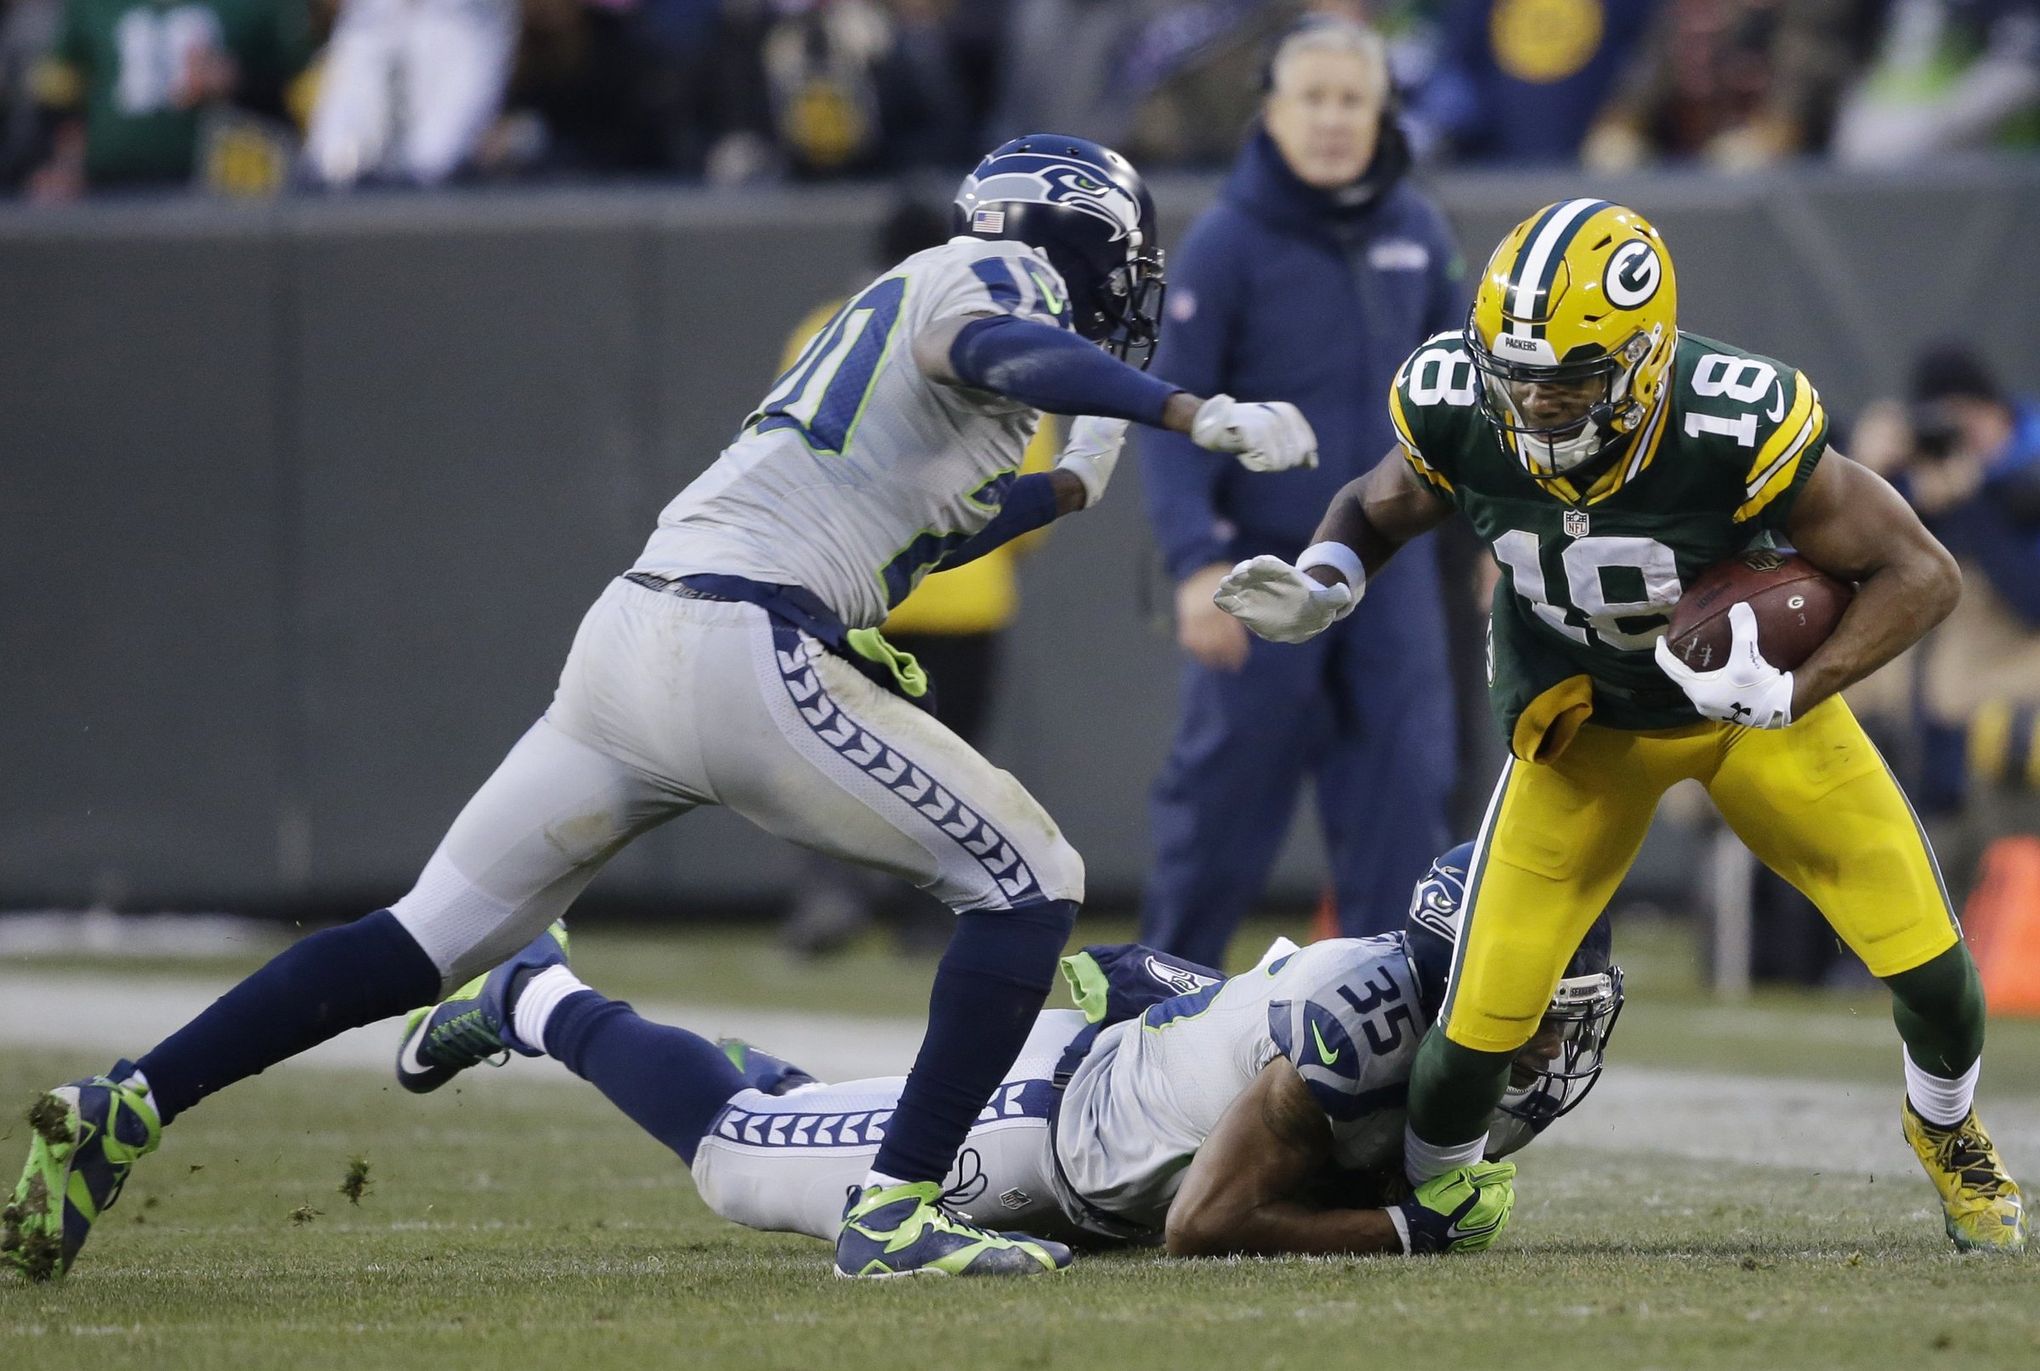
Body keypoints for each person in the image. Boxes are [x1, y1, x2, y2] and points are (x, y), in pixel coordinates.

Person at [2, 133, 1320, 1284]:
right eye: (1122, 258)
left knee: (421, 935)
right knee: (1032, 878)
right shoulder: (993, 278)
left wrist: (1082, 482)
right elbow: (1003, 337)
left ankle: (130, 1098)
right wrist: (1184, 408)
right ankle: (900, 1205)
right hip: (737, 645)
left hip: (638, 636)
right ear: (1067, 236)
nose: (1132, 286)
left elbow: (925, 528)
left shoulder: (916, 350)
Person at [1215, 198, 2027, 1252]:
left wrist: (1795, 689)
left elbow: (1922, 571)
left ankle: (1949, 1129)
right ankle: (1434, 1201)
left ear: (1644, 363)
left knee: (1935, 972)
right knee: (1474, 1034)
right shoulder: (1464, 403)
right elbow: (1379, 506)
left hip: (1751, 720)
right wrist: (1330, 575)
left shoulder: (1733, 417)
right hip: (1584, 726)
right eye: (1516, 379)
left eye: (1565, 385)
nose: (1535, 407)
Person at [390, 844, 1619, 1260]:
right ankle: (536, 995)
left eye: (1567, 1006)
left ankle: (753, 1072)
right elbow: (1201, 1224)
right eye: (1530, 1007)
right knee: (740, 1160)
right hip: (1051, 1131)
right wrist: (1405, 1233)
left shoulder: (1463, 1026)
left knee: (805, 1114)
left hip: (1153, 1077)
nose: (1549, 1037)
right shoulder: (1357, 1034)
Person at [1137, 16, 1464, 966]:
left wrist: (1492, 544)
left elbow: (1470, 405)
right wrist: (1196, 561)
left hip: (1391, 575)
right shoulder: (1226, 243)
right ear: (1271, 114)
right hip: (1260, 567)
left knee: (1405, 797)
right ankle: (1152, 1012)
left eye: (1351, 100)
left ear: (1381, 111)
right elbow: (1171, 418)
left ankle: (1383, 1033)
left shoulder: (1419, 229)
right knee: (1222, 804)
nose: (1331, 119)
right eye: (1311, 99)